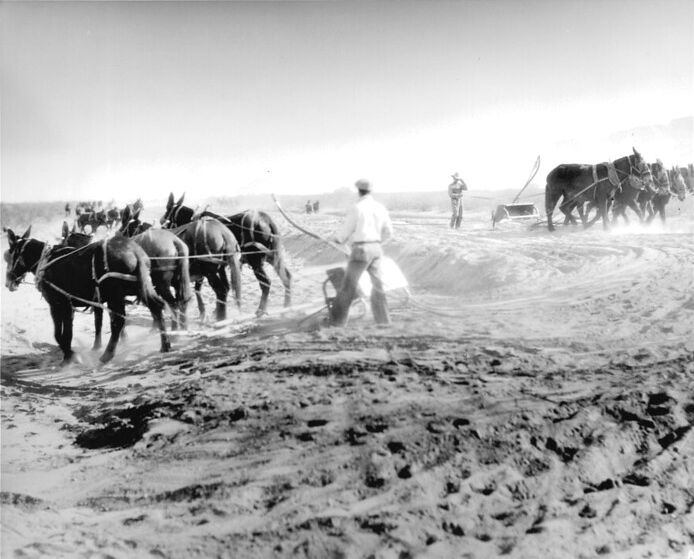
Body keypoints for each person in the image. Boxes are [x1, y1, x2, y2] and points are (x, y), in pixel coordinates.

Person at [329, 179, 393, 327]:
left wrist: (334, 238)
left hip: (360, 251)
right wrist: (377, 245)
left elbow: (344, 235)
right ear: (371, 191)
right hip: (376, 249)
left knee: (347, 288)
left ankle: (336, 324)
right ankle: (384, 322)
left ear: (358, 190)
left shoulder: (356, 208)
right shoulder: (380, 207)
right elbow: (389, 233)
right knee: (378, 287)